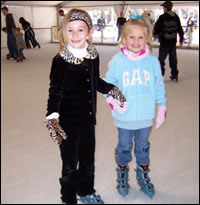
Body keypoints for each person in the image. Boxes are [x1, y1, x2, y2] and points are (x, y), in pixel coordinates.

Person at [45, 8, 127, 204]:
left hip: (89, 121)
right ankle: (68, 199)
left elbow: (94, 80)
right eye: (70, 30)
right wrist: (52, 119)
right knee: (69, 166)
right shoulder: (60, 61)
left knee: (88, 162)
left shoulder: (93, 55)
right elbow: (55, 91)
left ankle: (85, 191)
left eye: (80, 30)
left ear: (89, 32)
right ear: (64, 33)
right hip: (68, 124)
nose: (75, 35)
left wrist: (111, 89)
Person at [104, 14, 167, 199]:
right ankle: (122, 174)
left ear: (147, 39)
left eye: (141, 37)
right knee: (124, 147)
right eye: (132, 37)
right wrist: (113, 99)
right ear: (124, 38)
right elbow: (107, 83)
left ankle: (143, 175)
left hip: (145, 116)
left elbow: (158, 85)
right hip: (125, 117)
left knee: (143, 148)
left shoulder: (152, 62)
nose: (136, 41)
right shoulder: (117, 61)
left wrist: (161, 106)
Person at [153, 1, 184, 82]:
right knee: (173, 59)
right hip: (173, 41)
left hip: (164, 41)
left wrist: (155, 34)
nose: (163, 9)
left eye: (163, 7)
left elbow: (157, 27)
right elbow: (179, 28)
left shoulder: (162, 17)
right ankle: (174, 75)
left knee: (161, 60)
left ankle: (160, 76)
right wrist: (181, 38)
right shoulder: (176, 17)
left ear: (165, 8)